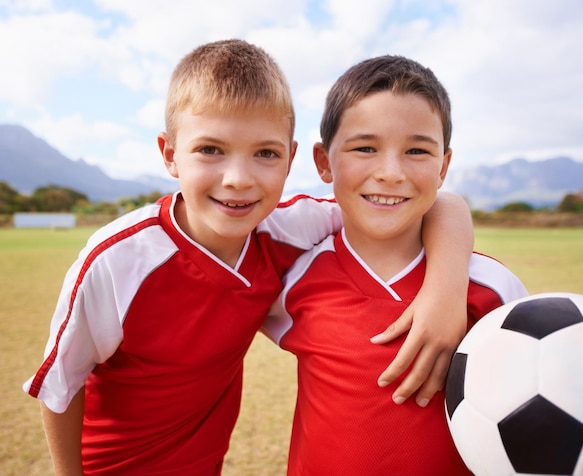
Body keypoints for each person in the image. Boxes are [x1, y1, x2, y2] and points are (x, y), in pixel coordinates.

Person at [23, 41, 473, 475]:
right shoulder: (117, 261)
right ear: (169, 154)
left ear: (291, 158)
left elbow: (432, 203)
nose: (238, 179)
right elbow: (61, 386)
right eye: (210, 150)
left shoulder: (287, 229)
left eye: (265, 154)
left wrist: (445, 293)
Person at [262, 55, 529, 475]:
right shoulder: (289, 281)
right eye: (365, 147)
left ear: (443, 166)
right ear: (323, 162)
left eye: (417, 150)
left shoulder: (493, 290)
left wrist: (446, 288)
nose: (390, 172)